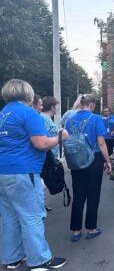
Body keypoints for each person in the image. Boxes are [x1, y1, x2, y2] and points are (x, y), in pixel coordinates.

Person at [0, 79, 68, 270]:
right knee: (32, 216)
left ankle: (12, 258)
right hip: (23, 171)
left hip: (3, 172)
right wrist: (60, 137)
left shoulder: (3, 114)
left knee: (10, 216)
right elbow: (41, 143)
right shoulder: (28, 113)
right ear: (27, 94)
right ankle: (40, 260)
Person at [65, 94, 112, 242]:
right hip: (93, 159)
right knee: (93, 194)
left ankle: (76, 231)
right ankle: (91, 228)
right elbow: (101, 143)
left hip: (76, 160)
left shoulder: (69, 120)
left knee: (78, 195)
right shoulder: (96, 118)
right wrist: (108, 160)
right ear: (91, 105)